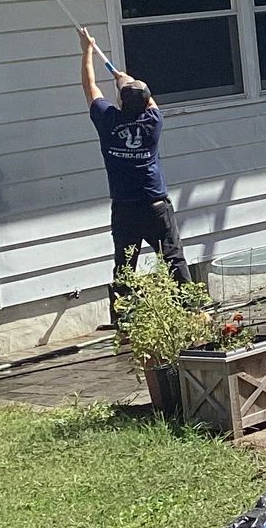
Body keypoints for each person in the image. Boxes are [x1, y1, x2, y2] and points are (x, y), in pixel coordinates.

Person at [79, 28, 190, 324]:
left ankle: (124, 320)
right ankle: (190, 310)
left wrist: (87, 50)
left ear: (120, 101)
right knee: (172, 258)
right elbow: (148, 99)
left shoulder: (108, 120)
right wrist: (125, 79)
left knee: (125, 265)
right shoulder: (153, 121)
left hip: (125, 208)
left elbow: (90, 86)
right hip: (155, 206)